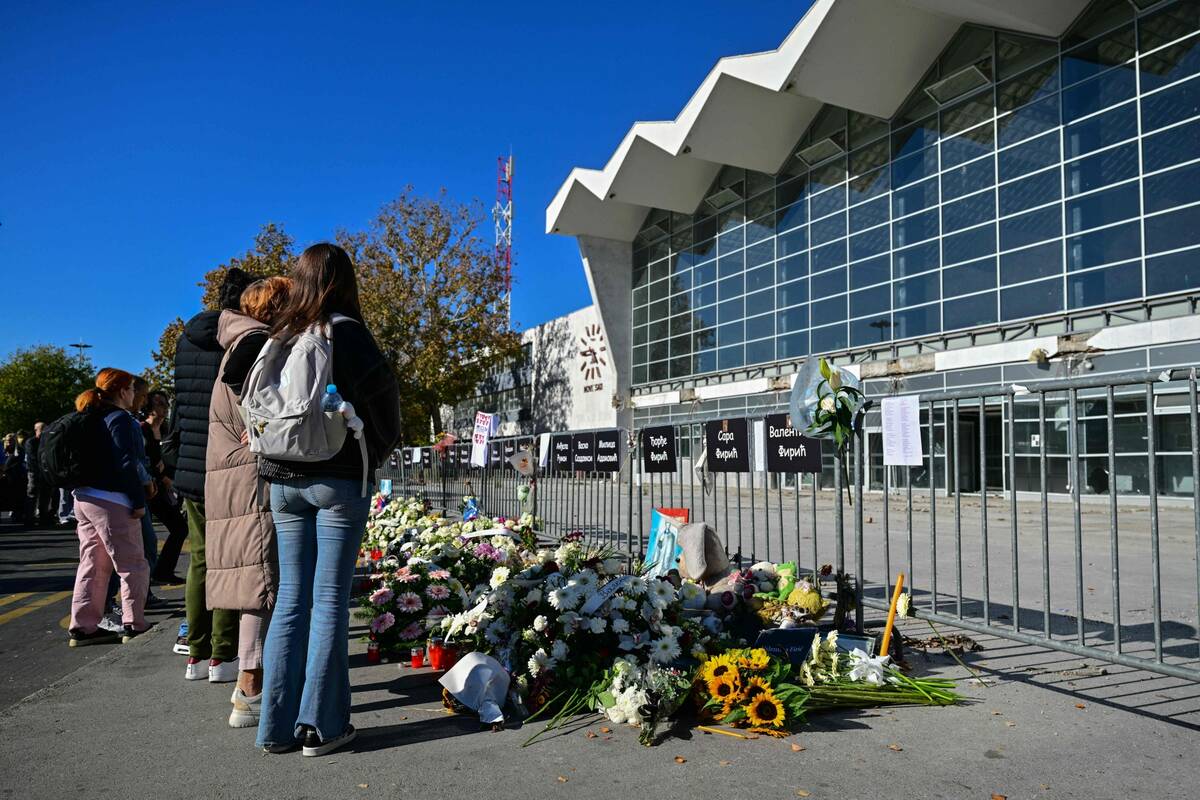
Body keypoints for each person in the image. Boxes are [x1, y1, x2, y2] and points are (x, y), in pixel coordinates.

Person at [256, 244, 400, 756]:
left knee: (291, 599)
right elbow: (385, 403)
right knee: (329, 600)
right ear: (345, 282)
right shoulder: (347, 332)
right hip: (337, 479)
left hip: (282, 478)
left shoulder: (283, 335)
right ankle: (322, 725)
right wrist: (374, 451)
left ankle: (273, 727)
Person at [206, 276, 290, 728]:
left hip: (235, 478)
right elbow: (262, 417)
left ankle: (251, 686)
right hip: (250, 480)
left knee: (257, 585)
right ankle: (251, 688)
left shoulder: (237, 342)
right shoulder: (255, 344)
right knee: (262, 584)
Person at [175, 267, 252, 681]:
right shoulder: (243, 338)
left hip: (190, 463)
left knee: (200, 560)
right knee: (233, 560)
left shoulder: (188, 339)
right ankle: (224, 654)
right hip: (228, 463)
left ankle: (195, 653)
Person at [66, 368, 151, 646]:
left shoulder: (91, 417)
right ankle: (134, 623)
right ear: (123, 391)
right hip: (113, 500)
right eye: (131, 389)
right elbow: (127, 463)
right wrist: (138, 501)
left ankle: (82, 625)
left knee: (92, 563)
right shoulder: (122, 420)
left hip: (83, 497)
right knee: (132, 564)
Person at [142, 391, 189, 585]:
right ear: (149, 406)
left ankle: (163, 571)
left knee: (179, 528)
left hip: (163, 489)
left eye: (165, 403)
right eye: (159, 403)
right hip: (146, 490)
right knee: (145, 540)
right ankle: (145, 585)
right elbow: (143, 461)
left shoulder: (168, 429)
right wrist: (159, 472)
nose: (164, 407)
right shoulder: (141, 429)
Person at [24, 422, 54, 526]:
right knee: (32, 495)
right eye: (42, 429)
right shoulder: (31, 442)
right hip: (34, 472)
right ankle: (29, 518)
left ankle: (43, 517)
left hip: (45, 473)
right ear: (36, 430)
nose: (45, 431)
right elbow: (32, 458)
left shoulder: (47, 441)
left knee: (45, 496)